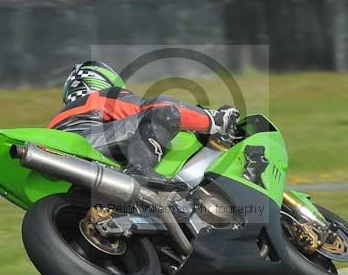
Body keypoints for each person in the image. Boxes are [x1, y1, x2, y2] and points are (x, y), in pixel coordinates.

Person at [48, 61, 240, 187]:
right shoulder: (101, 97)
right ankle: (141, 170)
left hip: (65, 163)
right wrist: (213, 120)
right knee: (165, 114)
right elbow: (161, 105)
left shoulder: (67, 118)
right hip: (85, 144)